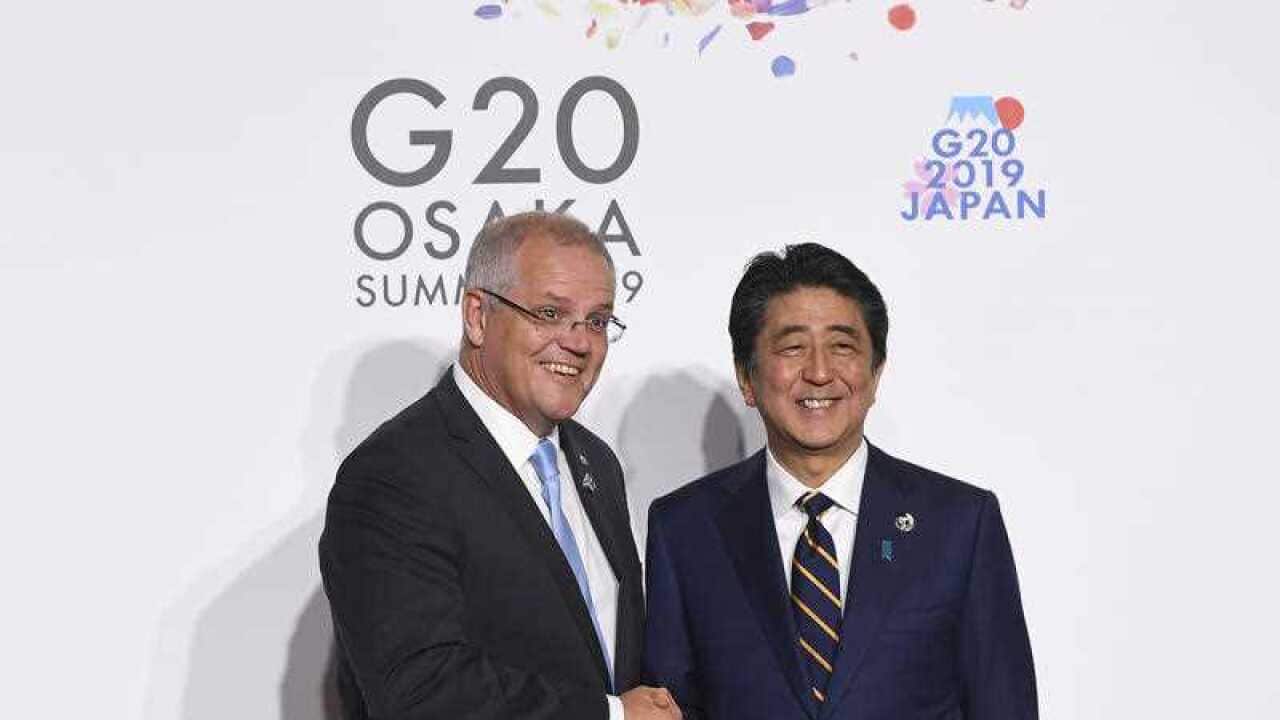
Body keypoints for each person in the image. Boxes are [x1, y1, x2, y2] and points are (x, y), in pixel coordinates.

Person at [644, 243, 1036, 719]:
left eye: (842, 346)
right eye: (792, 347)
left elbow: (1004, 705)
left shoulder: (959, 523)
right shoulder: (685, 528)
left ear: (874, 374)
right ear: (747, 377)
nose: (819, 372)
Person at [320, 212, 680, 720]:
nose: (579, 343)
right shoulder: (391, 477)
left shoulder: (596, 462)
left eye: (597, 321)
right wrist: (612, 716)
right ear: (477, 316)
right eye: (550, 314)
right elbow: (422, 694)